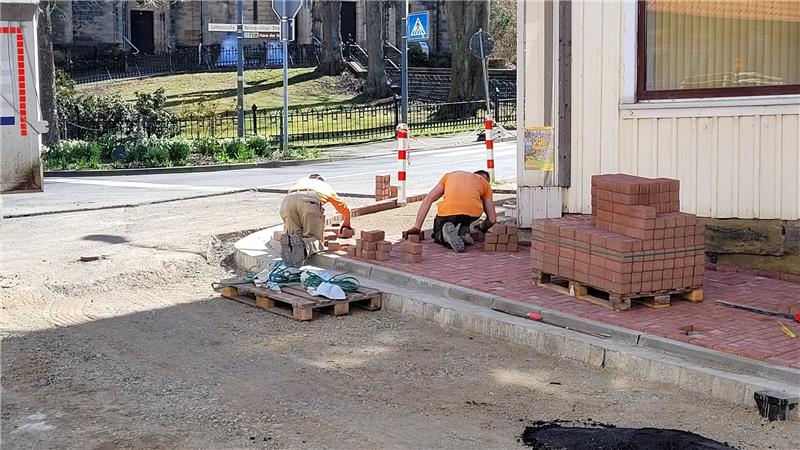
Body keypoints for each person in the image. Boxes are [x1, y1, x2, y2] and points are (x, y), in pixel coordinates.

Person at [404, 170, 496, 253]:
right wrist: (482, 227)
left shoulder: (450, 175)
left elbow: (429, 198)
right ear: (486, 179)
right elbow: (492, 219)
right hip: (471, 214)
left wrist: (417, 227)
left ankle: (444, 236)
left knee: (437, 232)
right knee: (464, 219)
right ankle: (462, 233)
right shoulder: (485, 184)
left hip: (448, 212)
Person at [280, 174, 352, 267]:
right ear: (322, 180)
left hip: (287, 201)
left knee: (294, 235)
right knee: (314, 237)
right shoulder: (325, 186)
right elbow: (342, 207)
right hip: (309, 200)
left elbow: (295, 198)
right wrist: (347, 223)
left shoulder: (301, 181)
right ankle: (303, 246)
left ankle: (289, 244)